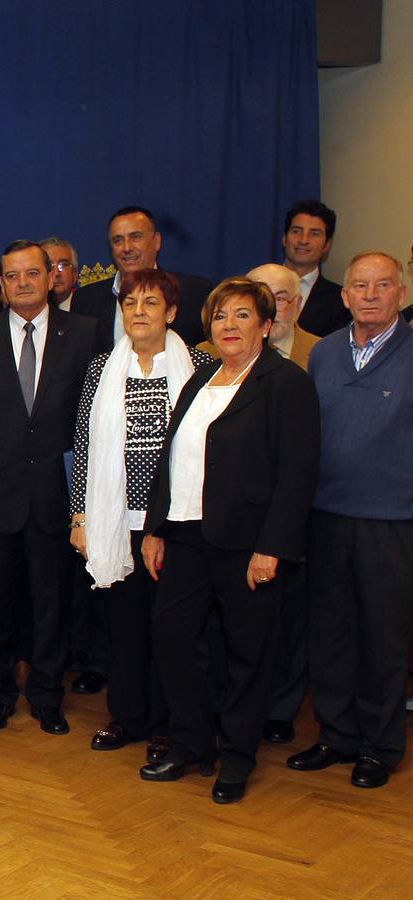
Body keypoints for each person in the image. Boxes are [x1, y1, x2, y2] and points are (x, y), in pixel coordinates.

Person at [139, 277, 320, 804]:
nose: (230, 326)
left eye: (243, 316)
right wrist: (156, 528)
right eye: (221, 317)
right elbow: (170, 460)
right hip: (187, 535)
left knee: (248, 654)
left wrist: (272, 548)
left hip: (248, 544)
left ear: (266, 326)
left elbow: (297, 474)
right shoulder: (200, 380)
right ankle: (192, 742)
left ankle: (237, 758)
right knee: (171, 637)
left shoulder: (285, 383)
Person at [69, 269, 211, 762]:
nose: (139, 313)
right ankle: (127, 717)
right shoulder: (101, 368)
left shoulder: (201, 364)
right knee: (125, 627)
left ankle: (172, 725)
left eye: (151, 303)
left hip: (177, 524)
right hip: (117, 522)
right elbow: (84, 446)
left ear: (172, 313)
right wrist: (80, 517)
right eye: (130, 304)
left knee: (172, 631)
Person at [0, 240, 97, 736]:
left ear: (51, 278)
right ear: (1, 285)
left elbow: (90, 423)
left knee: (51, 604)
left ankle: (46, 694)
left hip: (56, 498)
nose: (22, 282)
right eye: (12, 275)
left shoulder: (84, 335)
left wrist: (84, 502)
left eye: (32, 273)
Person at [289, 251, 413, 789]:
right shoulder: (326, 354)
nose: (369, 294)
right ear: (344, 296)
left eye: (382, 285)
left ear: (400, 294)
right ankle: (336, 735)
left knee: (383, 638)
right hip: (326, 514)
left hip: (391, 521)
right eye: (359, 285)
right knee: (331, 633)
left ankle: (379, 746)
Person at [70, 206, 212, 351]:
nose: (126, 248)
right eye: (118, 240)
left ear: (157, 241)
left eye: (135, 237)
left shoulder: (194, 292)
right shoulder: (85, 300)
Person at [198, 264, 319, 371]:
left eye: (279, 299)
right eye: (262, 300)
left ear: (297, 304)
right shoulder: (207, 352)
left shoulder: (321, 351)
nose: (270, 309)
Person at [281, 200, 349, 336]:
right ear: (284, 238)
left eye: (314, 233)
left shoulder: (342, 301)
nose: (303, 240)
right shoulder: (258, 287)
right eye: (296, 231)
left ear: (326, 245)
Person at [43, 237, 80, 311]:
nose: (56, 273)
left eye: (63, 264)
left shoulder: (90, 314)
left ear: (74, 274)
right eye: (49, 265)